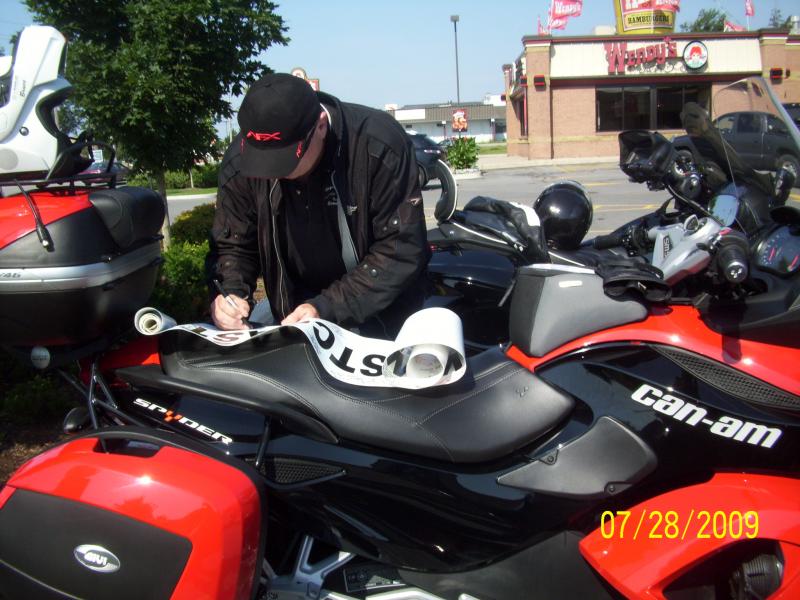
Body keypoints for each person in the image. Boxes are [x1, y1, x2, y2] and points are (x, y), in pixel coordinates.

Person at [207, 73, 430, 338]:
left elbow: (400, 248)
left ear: (321, 126)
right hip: (296, 313)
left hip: (382, 310)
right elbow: (233, 244)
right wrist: (230, 294)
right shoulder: (241, 160)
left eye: (284, 160)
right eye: (263, 163)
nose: (273, 172)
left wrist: (326, 307)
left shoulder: (377, 144)